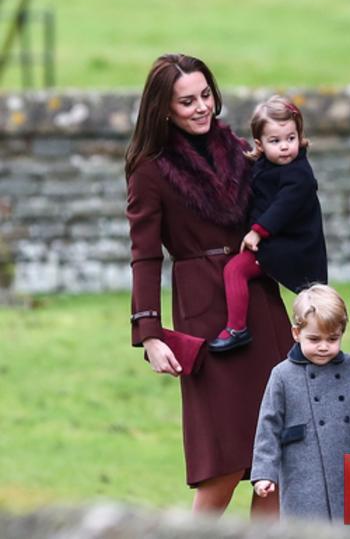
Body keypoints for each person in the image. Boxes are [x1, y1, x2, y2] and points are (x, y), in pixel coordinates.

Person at [125, 54, 293, 516]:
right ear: (163, 108)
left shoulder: (243, 151)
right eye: (186, 101)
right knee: (220, 464)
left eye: (205, 96)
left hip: (260, 304)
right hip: (204, 317)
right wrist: (151, 334)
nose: (201, 107)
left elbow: (287, 210)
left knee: (272, 460)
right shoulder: (150, 168)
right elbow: (144, 254)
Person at [250, 284, 350, 520]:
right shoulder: (281, 375)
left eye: (333, 338)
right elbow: (268, 427)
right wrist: (264, 474)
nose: (324, 346)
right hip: (304, 477)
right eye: (314, 339)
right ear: (296, 334)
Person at [209, 96, 327, 352]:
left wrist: (257, 232)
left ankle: (236, 328)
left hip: (292, 247)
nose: (285, 147)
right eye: (275, 141)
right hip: (278, 243)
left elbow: (283, 207)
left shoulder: (299, 174)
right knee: (311, 298)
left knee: (236, 271)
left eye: (291, 138)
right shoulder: (263, 166)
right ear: (259, 144)